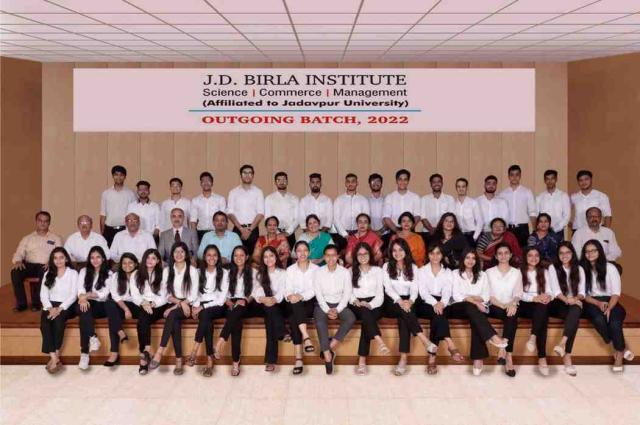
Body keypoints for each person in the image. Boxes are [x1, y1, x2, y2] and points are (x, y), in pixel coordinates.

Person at [382, 239, 438, 376]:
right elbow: (388, 288)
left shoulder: (413, 267)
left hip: (409, 301)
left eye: (400, 250)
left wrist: (410, 301)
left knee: (404, 318)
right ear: (391, 252)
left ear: (406, 251)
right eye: (394, 250)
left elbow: (414, 289)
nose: (397, 253)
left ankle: (403, 359)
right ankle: (424, 339)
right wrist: (400, 301)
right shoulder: (386, 266)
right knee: (405, 312)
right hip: (392, 301)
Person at [449, 249, 508, 376]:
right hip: (458, 308)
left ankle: (478, 359)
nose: (470, 261)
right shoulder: (455, 273)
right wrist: (475, 301)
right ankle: (493, 337)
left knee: (475, 315)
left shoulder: (482, 275)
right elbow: (457, 295)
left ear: (476, 260)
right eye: (467, 257)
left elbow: (486, 296)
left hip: (475, 309)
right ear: (462, 259)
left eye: (473, 258)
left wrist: (469, 297)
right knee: (471, 307)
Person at [580, 240, 634, 372]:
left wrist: (609, 307)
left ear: (599, 251)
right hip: (592, 302)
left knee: (614, 322)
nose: (590, 253)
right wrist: (598, 303)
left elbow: (616, 293)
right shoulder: (582, 270)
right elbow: (583, 295)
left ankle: (619, 355)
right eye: (587, 251)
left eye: (593, 250)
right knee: (599, 319)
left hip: (612, 300)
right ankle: (619, 347)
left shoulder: (610, 268)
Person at [149, 242, 199, 375]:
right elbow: (166, 294)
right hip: (174, 302)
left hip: (188, 304)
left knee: (172, 316)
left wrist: (180, 304)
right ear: (172, 254)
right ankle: (178, 361)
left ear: (186, 254)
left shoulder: (192, 270)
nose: (179, 254)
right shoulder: (167, 270)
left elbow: (193, 295)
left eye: (182, 251)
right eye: (176, 251)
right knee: (174, 322)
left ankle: (160, 351)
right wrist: (178, 303)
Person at [415, 244, 464, 374]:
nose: (435, 256)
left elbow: (447, 290)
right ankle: (450, 343)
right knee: (437, 314)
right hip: (425, 303)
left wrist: (442, 303)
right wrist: (435, 303)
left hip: (443, 302)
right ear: (428, 255)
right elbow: (423, 292)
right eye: (432, 253)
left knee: (437, 316)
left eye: (438, 253)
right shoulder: (421, 271)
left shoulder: (448, 272)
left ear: (442, 255)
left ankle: (432, 358)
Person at [313, 244, 356, 375]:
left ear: (338, 256)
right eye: (328, 255)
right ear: (324, 257)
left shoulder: (344, 272)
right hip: (323, 304)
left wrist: (337, 309)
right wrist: (328, 310)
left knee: (350, 318)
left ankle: (329, 345)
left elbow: (347, 293)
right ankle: (327, 356)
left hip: (340, 303)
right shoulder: (318, 272)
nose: (330, 258)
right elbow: (318, 294)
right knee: (319, 321)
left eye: (333, 255)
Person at [187, 244, 229, 377]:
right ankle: (210, 360)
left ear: (218, 257)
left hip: (218, 306)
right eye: (209, 255)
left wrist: (201, 307)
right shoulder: (198, 272)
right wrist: (195, 307)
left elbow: (221, 299)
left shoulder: (224, 273)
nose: (212, 258)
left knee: (205, 314)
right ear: (204, 257)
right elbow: (195, 293)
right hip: (201, 306)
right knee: (206, 321)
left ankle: (194, 349)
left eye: (215, 255)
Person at [349, 242, 390, 375]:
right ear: (356, 256)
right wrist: (355, 301)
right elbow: (348, 292)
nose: (362, 256)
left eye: (365, 253)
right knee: (366, 315)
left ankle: (362, 361)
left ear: (370, 255)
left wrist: (370, 304)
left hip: (375, 303)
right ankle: (379, 341)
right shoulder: (350, 271)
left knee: (367, 319)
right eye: (359, 254)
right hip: (357, 304)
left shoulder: (378, 271)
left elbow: (380, 294)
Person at [214, 246, 256, 377]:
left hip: (246, 303)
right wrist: (227, 301)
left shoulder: (253, 272)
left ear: (247, 257)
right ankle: (235, 363)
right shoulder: (227, 272)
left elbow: (255, 292)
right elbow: (222, 291)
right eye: (236, 255)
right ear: (232, 257)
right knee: (236, 324)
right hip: (230, 303)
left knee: (238, 311)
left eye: (241, 255)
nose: (239, 258)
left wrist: (245, 300)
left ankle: (220, 341)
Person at [11, 211, 62, 312]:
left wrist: (52, 262)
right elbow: (19, 252)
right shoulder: (27, 238)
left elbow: (60, 253)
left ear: (49, 223)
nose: (43, 223)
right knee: (15, 272)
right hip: (29, 265)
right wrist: (18, 261)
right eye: (40, 220)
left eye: (46, 221)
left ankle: (36, 303)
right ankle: (21, 304)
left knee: (44, 272)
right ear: (36, 222)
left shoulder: (56, 238)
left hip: (45, 265)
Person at [549, 242, 585, 376]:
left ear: (572, 253)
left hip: (573, 301)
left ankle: (562, 344)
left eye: (567, 252)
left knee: (575, 312)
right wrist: (568, 300)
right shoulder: (553, 268)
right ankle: (567, 356)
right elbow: (556, 291)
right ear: (558, 255)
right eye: (561, 253)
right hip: (557, 303)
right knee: (575, 313)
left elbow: (582, 292)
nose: (564, 255)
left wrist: (575, 299)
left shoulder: (579, 269)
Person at [486, 243, 523, 377]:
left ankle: (506, 353)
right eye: (500, 253)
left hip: (510, 305)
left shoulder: (516, 272)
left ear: (511, 255)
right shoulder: (489, 272)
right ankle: (507, 354)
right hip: (494, 306)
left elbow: (518, 293)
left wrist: (513, 303)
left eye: (506, 253)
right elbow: (488, 295)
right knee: (511, 314)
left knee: (512, 314)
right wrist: (504, 305)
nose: (503, 256)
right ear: (496, 256)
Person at [39, 247, 78, 374]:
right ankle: (55, 358)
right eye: (55, 258)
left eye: (61, 257)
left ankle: (54, 357)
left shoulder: (73, 273)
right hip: (50, 305)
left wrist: (60, 308)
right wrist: (50, 308)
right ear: (52, 260)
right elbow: (43, 294)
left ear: (66, 259)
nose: (58, 260)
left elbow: (73, 295)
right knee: (45, 324)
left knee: (58, 323)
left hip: (66, 305)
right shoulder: (48, 273)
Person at [131, 248, 168, 375]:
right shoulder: (136, 274)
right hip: (142, 304)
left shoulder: (163, 274)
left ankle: (144, 358)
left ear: (158, 261)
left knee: (142, 319)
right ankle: (146, 352)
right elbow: (134, 295)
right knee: (143, 317)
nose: (150, 260)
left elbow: (165, 295)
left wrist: (154, 303)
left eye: (153, 258)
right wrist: (144, 302)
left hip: (159, 305)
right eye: (148, 257)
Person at [284, 241, 318, 375]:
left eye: (305, 250)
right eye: (299, 250)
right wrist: (291, 296)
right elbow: (287, 289)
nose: (302, 253)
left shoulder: (316, 269)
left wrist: (300, 296)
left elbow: (315, 289)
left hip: (308, 303)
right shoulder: (290, 269)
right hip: (292, 302)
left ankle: (298, 359)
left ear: (309, 252)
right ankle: (306, 337)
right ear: (295, 253)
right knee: (295, 306)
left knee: (294, 318)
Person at [518, 247, 554, 376]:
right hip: (524, 304)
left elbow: (551, 290)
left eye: (536, 255)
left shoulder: (545, 271)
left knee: (542, 310)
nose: (534, 258)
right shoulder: (519, 272)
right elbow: (518, 293)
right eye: (530, 255)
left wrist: (548, 297)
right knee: (542, 314)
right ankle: (542, 358)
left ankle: (533, 338)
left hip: (540, 304)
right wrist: (534, 298)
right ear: (525, 257)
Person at [76, 246, 113, 370]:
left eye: (98, 257)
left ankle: (84, 353)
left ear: (103, 259)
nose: (95, 260)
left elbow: (104, 294)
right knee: (83, 310)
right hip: (86, 304)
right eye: (92, 257)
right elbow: (80, 289)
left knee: (83, 311)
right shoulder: (83, 271)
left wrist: (86, 296)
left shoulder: (109, 273)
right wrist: (83, 298)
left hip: (101, 306)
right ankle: (92, 338)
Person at [252, 246, 287, 372]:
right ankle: (282, 331)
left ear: (276, 257)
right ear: (262, 259)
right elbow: (256, 291)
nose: (269, 259)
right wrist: (264, 299)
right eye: (265, 257)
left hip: (278, 305)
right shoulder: (259, 274)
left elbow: (284, 291)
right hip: (263, 305)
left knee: (270, 320)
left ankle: (270, 361)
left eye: (271, 256)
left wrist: (273, 299)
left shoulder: (283, 273)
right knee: (270, 310)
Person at [104, 253, 140, 367]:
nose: (127, 265)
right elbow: (115, 295)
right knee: (110, 304)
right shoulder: (116, 276)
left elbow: (141, 296)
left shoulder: (140, 275)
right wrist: (125, 309)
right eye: (124, 263)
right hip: (122, 304)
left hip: (137, 305)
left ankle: (115, 353)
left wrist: (129, 309)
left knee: (113, 318)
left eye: (130, 262)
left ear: (135, 264)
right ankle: (120, 334)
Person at [227, 164, 264, 255]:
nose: (247, 175)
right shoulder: (233, 192)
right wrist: (241, 229)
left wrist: (249, 230)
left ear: (253, 175)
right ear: (241, 175)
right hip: (237, 229)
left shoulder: (258, 192)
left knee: (253, 256)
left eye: (250, 173)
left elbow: (260, 213)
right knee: (237, 255)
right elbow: (230, 213)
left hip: (253, 229)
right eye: (245, 173)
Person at [499, 165, 536, 247]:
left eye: (517, 175)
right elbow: (500, 214)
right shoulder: (502, 194)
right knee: (508, 251)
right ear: (508, 177)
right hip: (508, 229)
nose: (514, 177)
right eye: (512, 175)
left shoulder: (527, 192)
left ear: (520, 176)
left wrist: (534, 229)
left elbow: (532, 212)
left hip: (523, 229)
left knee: (523, 251)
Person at [332, 173, 370, 253]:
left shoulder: (363, 200)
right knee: (343, 256)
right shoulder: (339, 200)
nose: (350, 184)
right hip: (342, 235)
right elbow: (336, 219)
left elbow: (366, 218)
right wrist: (345, 235)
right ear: (345, 184)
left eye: (353, 181)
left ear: (357, 183)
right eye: (348, 181)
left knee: (359, 255)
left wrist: (359, 233)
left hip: (359, 234)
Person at [100, 165, 136, 246]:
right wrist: (102, 232)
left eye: (121, 175)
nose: (118, 177)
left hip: (125, 229)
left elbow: (134, 214)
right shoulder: (106, 193)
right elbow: (103, 214)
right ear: (113, 176)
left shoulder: (131, 194)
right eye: (116, 175)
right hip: (109, 230)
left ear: (125, 177)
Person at [383, 169, 421, 243]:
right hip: (394, 231)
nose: (402, 182)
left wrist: (408, 230)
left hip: (410, 231)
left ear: (408, 181)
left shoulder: (415, 197)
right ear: (396, 181)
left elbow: (417, 216)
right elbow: (386, 217)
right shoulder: (389, 197)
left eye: (405, 179)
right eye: (400, 179)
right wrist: (397, 231)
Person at [265, 171, 300, 249]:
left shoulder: (294, 198)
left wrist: (288, 232)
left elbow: (297, 218)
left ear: (287, 182)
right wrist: (276, 232)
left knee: (290, 255)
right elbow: (267, 218)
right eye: (279, 180)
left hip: (290, 234)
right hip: (274, 234)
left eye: (284, 180)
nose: (281, 182)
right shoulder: (269, 198)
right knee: (273, 255)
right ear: (275, 182)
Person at [190, 171, 226, 241]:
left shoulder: (220, 199)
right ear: (200, 183)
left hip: (216, 232)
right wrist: (194, 237)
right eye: (203, 181)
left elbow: (223, 219)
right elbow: (193, 221)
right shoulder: (195, 200)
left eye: (208, 181)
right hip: (200, 233)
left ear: (212, 183)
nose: (206, 183)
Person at [536, 169, 570, 241]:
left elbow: (566, 216)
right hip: (543, 232)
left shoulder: (563, 195)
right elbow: (537, 215)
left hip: (558, 232)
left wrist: (555, 229)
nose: (550, 181)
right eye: (547, 179)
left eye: (552, 178)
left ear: (556, 179)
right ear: (544, 180)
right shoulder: (540, 197)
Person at [421, 173, 454, 242]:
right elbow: (423, 217)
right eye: (434, 182)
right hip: (428, 233)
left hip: (445, 233)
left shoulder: (450, 199)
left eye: (439, 181)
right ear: (431, 184)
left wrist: (441, 230)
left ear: (442, 183)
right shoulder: (424, 199)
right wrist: (431, 230)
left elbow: (451, 217)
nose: (436, 184)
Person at [453, 177, 483, 247]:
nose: (461, 189)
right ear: (456, 188)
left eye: (463, 186)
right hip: (458, 235)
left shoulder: (473, 203)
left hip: (471, 235)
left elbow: (480, 221)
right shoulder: (453, 204)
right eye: (459, 186)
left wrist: (474, 237)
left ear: (466, 188)